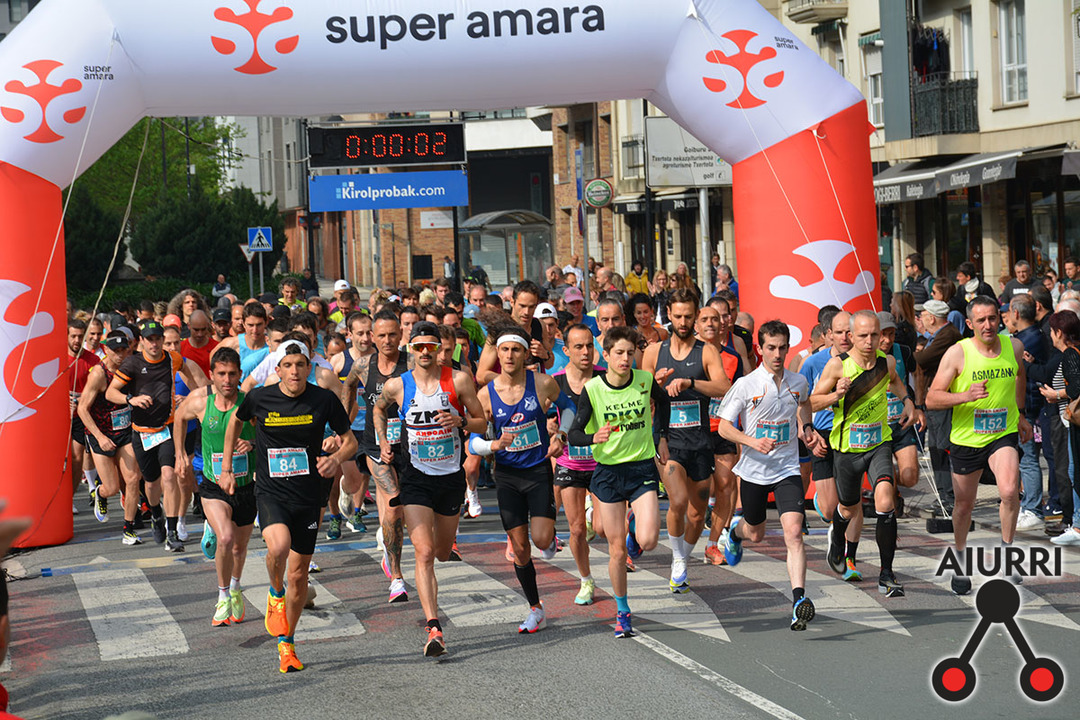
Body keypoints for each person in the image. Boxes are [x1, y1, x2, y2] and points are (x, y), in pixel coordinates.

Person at [224, 339, 357, 672]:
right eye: (288, 365)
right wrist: (226, 467)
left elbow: (350, 441)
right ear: (278, 369)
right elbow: (235, 422)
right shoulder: (260, 398)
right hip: (271, 491)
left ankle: (287, 644)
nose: (295, 371)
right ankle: (274, 591)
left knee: (299, 576)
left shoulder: (324, 399)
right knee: (279, 546)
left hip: (309, 495)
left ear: (309, 368)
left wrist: (335, 459)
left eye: (300, 365)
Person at [372, 321, 486, 655]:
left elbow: (482, 421)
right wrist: (383, 441)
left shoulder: (458, 380)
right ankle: (434, 628)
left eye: (431, 347)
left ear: (439, 350)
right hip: (416, 478)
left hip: (450, 477)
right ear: (411, 349)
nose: (425, 352)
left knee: (440, 551)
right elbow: (378, 408)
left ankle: (445, 547)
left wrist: (461, 421)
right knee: (423, 552)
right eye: (419, 346)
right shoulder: (398, 386)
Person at [718, 320, 824, 629]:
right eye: (771, 348)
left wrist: (806, 428)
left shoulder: (797, 381)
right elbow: (724, 426)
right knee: (756, 533)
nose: (777, 354)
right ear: (761, 349)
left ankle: (798, 600)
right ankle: (735, 533)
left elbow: (804, 404)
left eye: (782, 348)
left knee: (794, 532)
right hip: (754, 471)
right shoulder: (746, 384)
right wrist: (752, 441)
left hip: (787, 469)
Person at [568, 326, 671, 638]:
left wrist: (660, 435)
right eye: (619, 353)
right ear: (606, 355)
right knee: (615, 551)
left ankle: (634, 529)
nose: (625, 359)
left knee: (649, 540)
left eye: (630, 353)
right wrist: (593, 437)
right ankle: (623, 611)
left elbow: (664, 403)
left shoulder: (644, 380)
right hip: (609, 472)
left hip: (641, 468)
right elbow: (574, 433)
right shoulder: (593, 389)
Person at [926, 296, 1032, 594]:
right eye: (981, 320)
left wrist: (1020, 413)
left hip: (1003, 433)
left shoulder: (1014, 347)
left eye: (992, 318)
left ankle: (1008, 555)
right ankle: (960, 558)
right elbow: (932, 398)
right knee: (964, 505)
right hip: (967, 439)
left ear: (1000, 318)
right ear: (970, 323)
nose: (988, 325)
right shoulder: (957, 354)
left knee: (1009, 491)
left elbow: (1020, 375)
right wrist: (965, 396)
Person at [472, 325, 570, 634]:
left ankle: (550, 536)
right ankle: (535, 608)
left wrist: (562, 435)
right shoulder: (485, 395)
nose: (510, 355)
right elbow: (473, 441)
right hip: (507, 476)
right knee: (519, 547)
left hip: (538, 471)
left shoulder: (542, 383)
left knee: (540, 540)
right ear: (497, 354)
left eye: (516, 349)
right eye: (504, 350)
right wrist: (493, 445)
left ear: (526, 353)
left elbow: (569, 407)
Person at [811, 310, 914, 597]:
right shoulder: (837, 366)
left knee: (886, 501)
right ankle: (837, 541)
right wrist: (836, 395)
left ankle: (886, 574)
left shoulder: (886, 362)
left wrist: (907, 401)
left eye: (874, 335)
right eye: (863, 336)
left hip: (879, 443)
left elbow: (895, 381)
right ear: (852, 337)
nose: (870, 341)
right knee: (846, 508)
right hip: (847, 450)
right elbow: (812, 402)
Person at [642, 289, 730, 592]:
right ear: (668, 314)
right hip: (667, 439)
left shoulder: (706, 351)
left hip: (700, 442)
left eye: (688, 316)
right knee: (677, 500)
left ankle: (683, 557)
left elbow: (724, 387)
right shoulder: (655, 352)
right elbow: (639, 395)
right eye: (677, 316)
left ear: (695, 316)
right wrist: (656, 385)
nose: (682, 322)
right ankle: (678, 560)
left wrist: (691, 382)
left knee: (696, 512)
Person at [173, 347, 257, 627]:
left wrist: (252, 443)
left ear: (240, 374)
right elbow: (179, 418)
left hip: (245, 486)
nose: (227, 380)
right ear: (211, 375)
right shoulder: (200, 401)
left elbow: (268, 432)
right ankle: (222, 596)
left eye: (232, 374)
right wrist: (180, 455)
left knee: (239, 548)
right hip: (213, 485)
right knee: (226, 539)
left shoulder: (250, 403)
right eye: (221, 374)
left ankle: (235, 588)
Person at [106, 321, 207, 552]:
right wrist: (131, 400)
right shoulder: (132, 363)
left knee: (169, 476)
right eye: (149, 339)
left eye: (157, 339)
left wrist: (195, 397)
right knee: (151, 483)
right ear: (141, 341)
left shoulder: (173, 359)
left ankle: (172, 533)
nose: (154, 343)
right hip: (142, 432)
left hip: (168, 428)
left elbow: (193, 377)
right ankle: (156, 513)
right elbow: (111, 392)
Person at [341, 310, 411, 603]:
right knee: (393, 501)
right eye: (381, 335)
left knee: (402, 511)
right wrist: (343, 425)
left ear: (401, 334)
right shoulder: (363, 365)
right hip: (374, 446)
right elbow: (348, 386)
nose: (387, 340)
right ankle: (397, 578)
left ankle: (388, 543)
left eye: (392, 334)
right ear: (372, 336)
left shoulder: (411, 363)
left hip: (410, 446)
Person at [552, 324, 602, 604]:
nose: (585, 352)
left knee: (603, 527)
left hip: (602, 461)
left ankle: (594, 514)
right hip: (569, 463)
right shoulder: (555, 382)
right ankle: (586, 580)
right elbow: (544, 414)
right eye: (579, 347)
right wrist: (551, 428)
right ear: (567, 350)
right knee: (576, 529)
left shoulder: (606, 377)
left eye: (589, 346)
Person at [77, 331, 140, 541]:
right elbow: (82, 409)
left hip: (124, 432)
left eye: (124, 350)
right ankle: (99, 493)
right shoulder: (99, 373)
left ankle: (129, 528)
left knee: (132, 479)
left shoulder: (130, 367)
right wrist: (100, 437)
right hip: (101, 433)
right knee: (112, 487)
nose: (120, 355)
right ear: (105, 350)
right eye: (115, 351)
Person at [914, 299, 964, 515]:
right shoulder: (936, 336)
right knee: (935, 448)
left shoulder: (947, 335)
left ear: (931, 318)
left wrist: (914, 354)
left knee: (943, 448)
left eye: (923, 315)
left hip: (943, 399)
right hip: (933, 400)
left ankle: (950, 496)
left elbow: (921, 359)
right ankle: (944, 495)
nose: (920, 320)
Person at [1007, 294, 1048, 532]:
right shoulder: (1027, 337)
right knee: (1026, 458)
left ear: (1016, 313)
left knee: (1029, 458)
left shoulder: (1027, 340)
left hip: (1029, 408)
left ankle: (1033, 509)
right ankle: (1029, 505)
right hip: (1027, 407)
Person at [66, 318, 100, 515]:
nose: (77, 341)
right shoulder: (56, 358)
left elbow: (99, 388)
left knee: (77, 458)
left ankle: (69, 499)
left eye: (80, 336)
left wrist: (82, 401)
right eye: (73, 336)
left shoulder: (93, 361)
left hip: (81, 415)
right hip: (58, 416)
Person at [217, 303, 270, 381]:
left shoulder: (273, 345)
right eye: (250, 325)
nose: (255, 330)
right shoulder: (230, 344)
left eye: (259, 325)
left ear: (266, 323)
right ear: (244, 324)